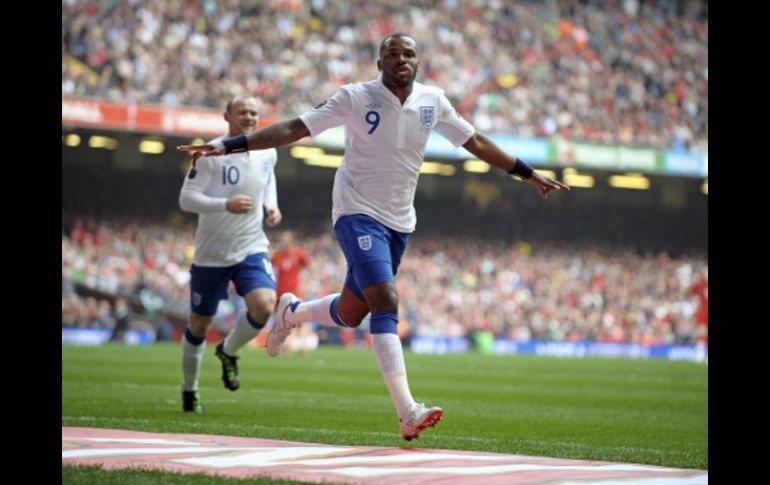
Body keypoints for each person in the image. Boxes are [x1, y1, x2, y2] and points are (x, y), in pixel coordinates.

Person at [178, 33, 570, 437]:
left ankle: (290, 313)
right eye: (392, 54)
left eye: (409, 54)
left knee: (353, 312)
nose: (401, 59)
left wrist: (526, 173)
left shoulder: (433, 102)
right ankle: (407, 411)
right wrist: (229, 145)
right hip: (355, 210)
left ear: (418, 62)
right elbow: (297, 127)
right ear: (379, 62)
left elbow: (476, 141)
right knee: (386, 298)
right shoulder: (355, 97)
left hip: (400, 221)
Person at [178, 95, 282, 413]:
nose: (249, 117)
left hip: (250, 245)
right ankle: (189, 389)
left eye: (253, 112)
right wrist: (225, 204)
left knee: (265, 305)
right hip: (211, 253)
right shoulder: (211, 153)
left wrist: (271, 205)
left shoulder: (267, 151)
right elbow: (187, 199)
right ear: (227, 117)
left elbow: (268, 179)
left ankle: (229, 349)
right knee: (199, 323)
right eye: (242, 112)